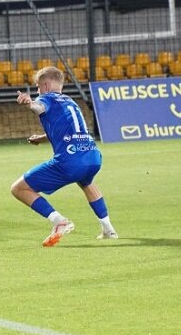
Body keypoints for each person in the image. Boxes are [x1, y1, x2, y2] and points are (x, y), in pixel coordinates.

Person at [11, 66, 118, 247]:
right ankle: (108, 229)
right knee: (86, 182)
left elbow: (39, 107)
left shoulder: (46, 98)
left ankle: (58, 221)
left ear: (45, 85)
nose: (38, 91)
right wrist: (43, 138)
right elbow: (71, 130)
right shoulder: (70, 102)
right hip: (92, 156)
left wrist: (29, 103)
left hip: (70, 161)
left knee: (18, 188)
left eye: (38, 87)